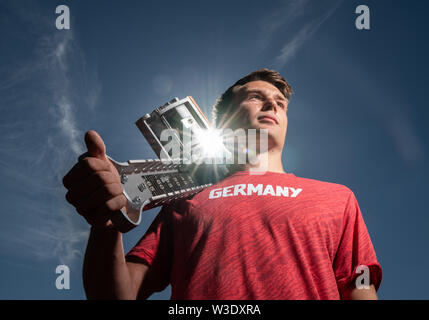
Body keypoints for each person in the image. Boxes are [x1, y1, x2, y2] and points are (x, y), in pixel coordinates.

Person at [62, 68, 382, 300]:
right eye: (256, 97)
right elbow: (119, 295)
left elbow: (360, 289)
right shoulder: (186, 200)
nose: (272, 105)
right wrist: (105, 224)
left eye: (280, 103)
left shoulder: (338, 198)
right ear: (225, 118)